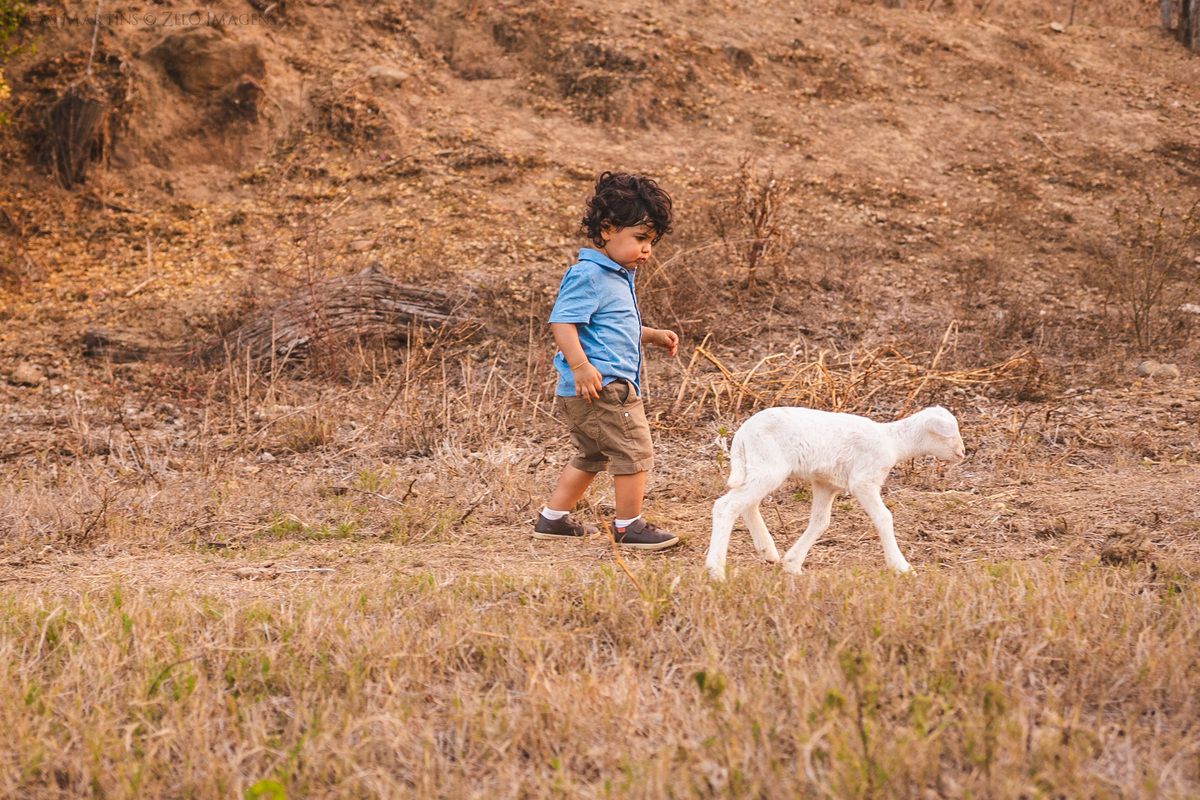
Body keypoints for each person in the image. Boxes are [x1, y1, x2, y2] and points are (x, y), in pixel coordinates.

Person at [532, 171, 681, 550]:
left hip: (598, 387)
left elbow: (613, 326)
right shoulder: (589, 274)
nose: (647, 249)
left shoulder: (617, 275)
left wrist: (651, 334)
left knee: (592, 453)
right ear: (607, 229)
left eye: (652, 242)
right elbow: (562, 321)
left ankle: (552, 520)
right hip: (602, 386)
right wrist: (581, 366)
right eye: (640, 239)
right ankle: (628, 526)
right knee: (634, 450)